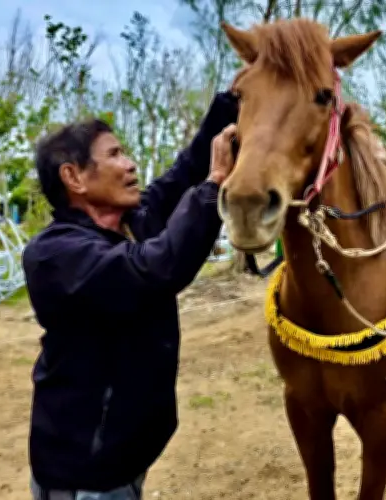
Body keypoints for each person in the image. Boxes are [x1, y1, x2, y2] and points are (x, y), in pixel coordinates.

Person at [22, 91, 239, 499]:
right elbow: (153, 268)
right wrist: (215, 186)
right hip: (86, 477)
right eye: (115, 154)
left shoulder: (131, 224)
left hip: (123, 460)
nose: (131, 163)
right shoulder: (54, 254)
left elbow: (182, 175)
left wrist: (230, 104)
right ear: (75, 177)